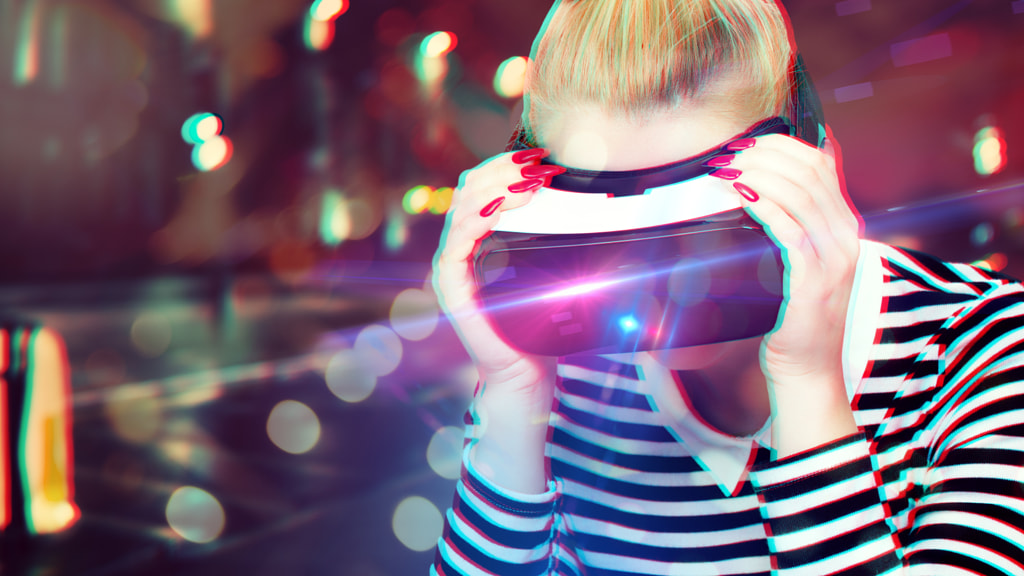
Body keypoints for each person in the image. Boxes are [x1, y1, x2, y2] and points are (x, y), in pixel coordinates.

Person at [431, 1, 1024, 574]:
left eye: (696, 230)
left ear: (816, 166)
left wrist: (806, 378)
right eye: (603, 230)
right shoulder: (571, 369)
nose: (655, 288)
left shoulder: (993, 350)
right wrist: (513, 395)